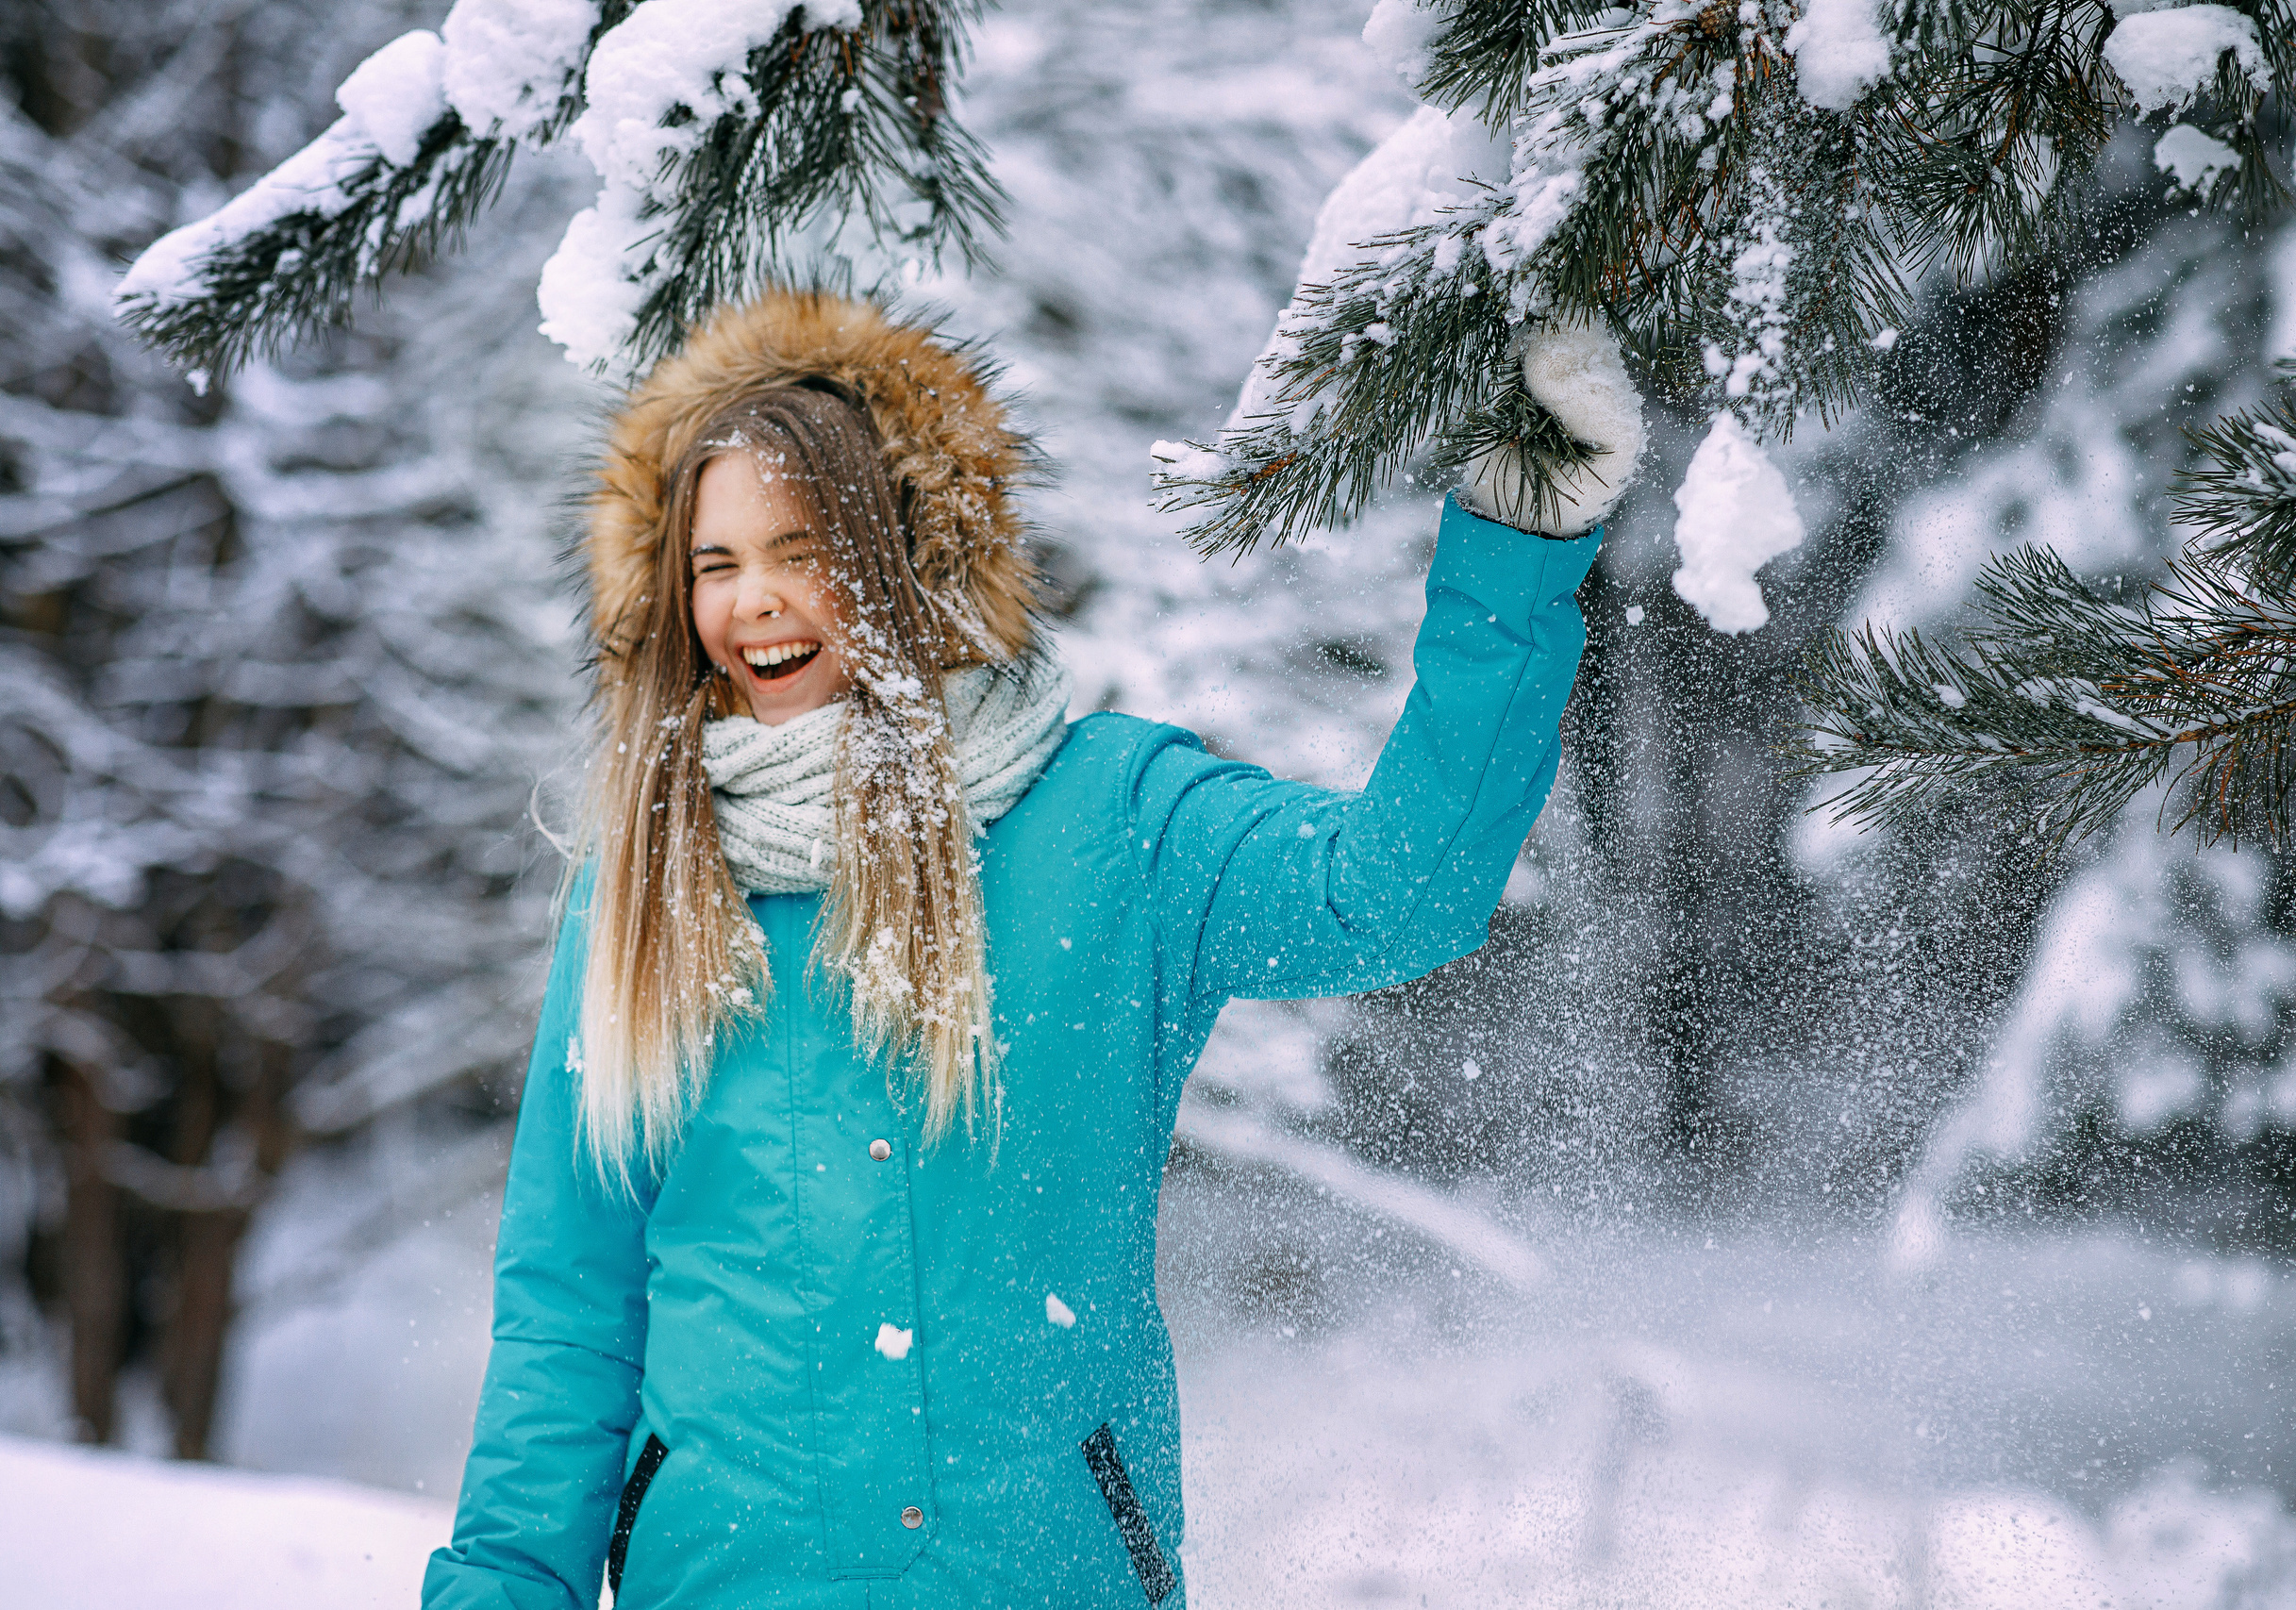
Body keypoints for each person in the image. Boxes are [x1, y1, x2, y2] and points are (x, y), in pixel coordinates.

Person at [422, 288, 1643, 1609]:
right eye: (714, 565)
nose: (754, 604)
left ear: (909, 553)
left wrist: (1515, 556)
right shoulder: (648, 887)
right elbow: (571, 1306)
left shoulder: (1114, 820)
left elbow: (1394, 893)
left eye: (802, 547)